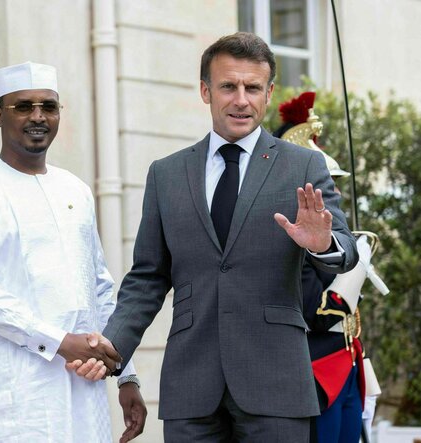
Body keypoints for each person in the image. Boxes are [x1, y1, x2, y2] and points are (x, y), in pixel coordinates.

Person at [77, 32, 359, 441]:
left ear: (269, 92)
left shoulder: (303, 166)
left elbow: (346, 249)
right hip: (192, 387)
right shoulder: (167, 174)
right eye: (229, 86)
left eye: (252, 87)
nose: (241, 99)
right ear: (206, 91)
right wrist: (113, 347)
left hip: (276, 384)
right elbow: (148, 277)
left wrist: (322, 244)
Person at [0, 61, 146, 442]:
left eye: (48, 107)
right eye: (23, 106)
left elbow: (99, 289)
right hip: (13, 396)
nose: (38, 117)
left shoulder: (75, 191)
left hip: (83, 389)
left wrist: (126, 375)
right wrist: (62, 343)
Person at [274, 91, 387, 443]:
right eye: (326, 183)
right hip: (315, 372)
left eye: (333, 182)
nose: (332, 189)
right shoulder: (295, 240)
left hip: (348, 364)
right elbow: (314, 314)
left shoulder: (338, 236)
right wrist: (350, 282)